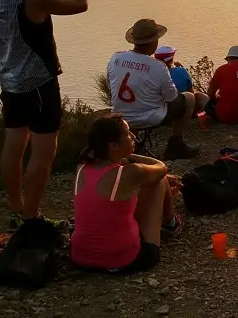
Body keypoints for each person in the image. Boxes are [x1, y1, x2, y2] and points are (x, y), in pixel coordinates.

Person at [0, 0, 88, 227]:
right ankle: (31, 217)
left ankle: (16, 208)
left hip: (10, 84)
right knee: (42, 154)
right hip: (39, 86)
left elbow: (16, 8)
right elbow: (80, 4)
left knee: (12, 149)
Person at [70, 114, 181, 274]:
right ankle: (171, 224)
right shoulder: (132, 173)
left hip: (81, 258)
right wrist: (128, 155)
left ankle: (166, 224)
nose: (133, 137)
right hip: (123, 261)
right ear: (114, 145)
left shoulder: (81, 167)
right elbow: (160, 167)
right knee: (159, 180)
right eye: (128, 134)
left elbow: (112, 169)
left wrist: (120, 156)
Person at [107, 19, 205, 159]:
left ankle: (132, 147)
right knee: (189, 97)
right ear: (154, 42)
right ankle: (176, 146)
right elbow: (171, 97)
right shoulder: (158, 66)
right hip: (149, 118)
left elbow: (111, 87)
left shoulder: (115, 58)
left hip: (120, 117)